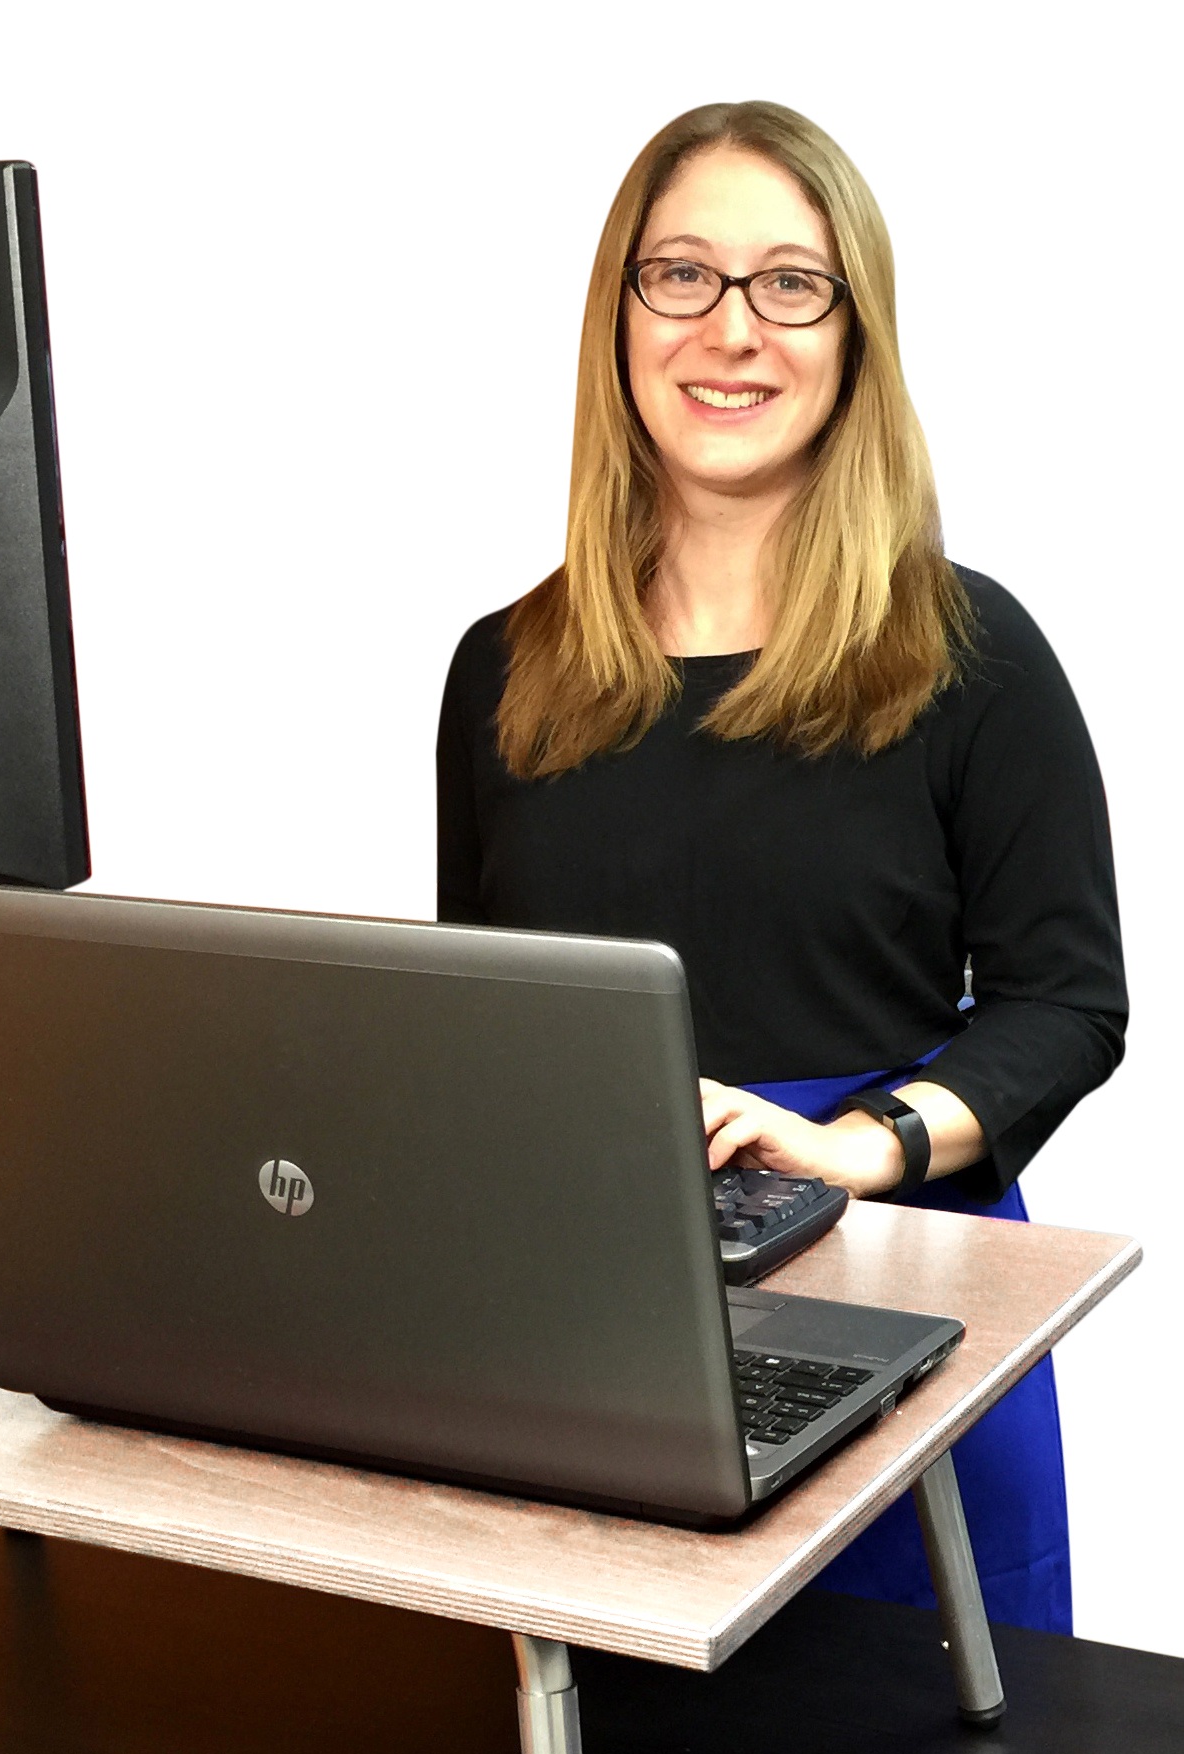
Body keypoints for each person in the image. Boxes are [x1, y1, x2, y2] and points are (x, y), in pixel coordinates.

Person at [435, 101, 1127, 1632]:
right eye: (679, 275)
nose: (729, 329)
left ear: (852, 334)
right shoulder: (504, 668)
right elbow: (476, 1029)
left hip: (897, 1293)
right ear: (618, 316)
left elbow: (1065, 1004)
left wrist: (855, 1143)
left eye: (788, 284)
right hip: (590, 1328)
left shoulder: (969, 651)